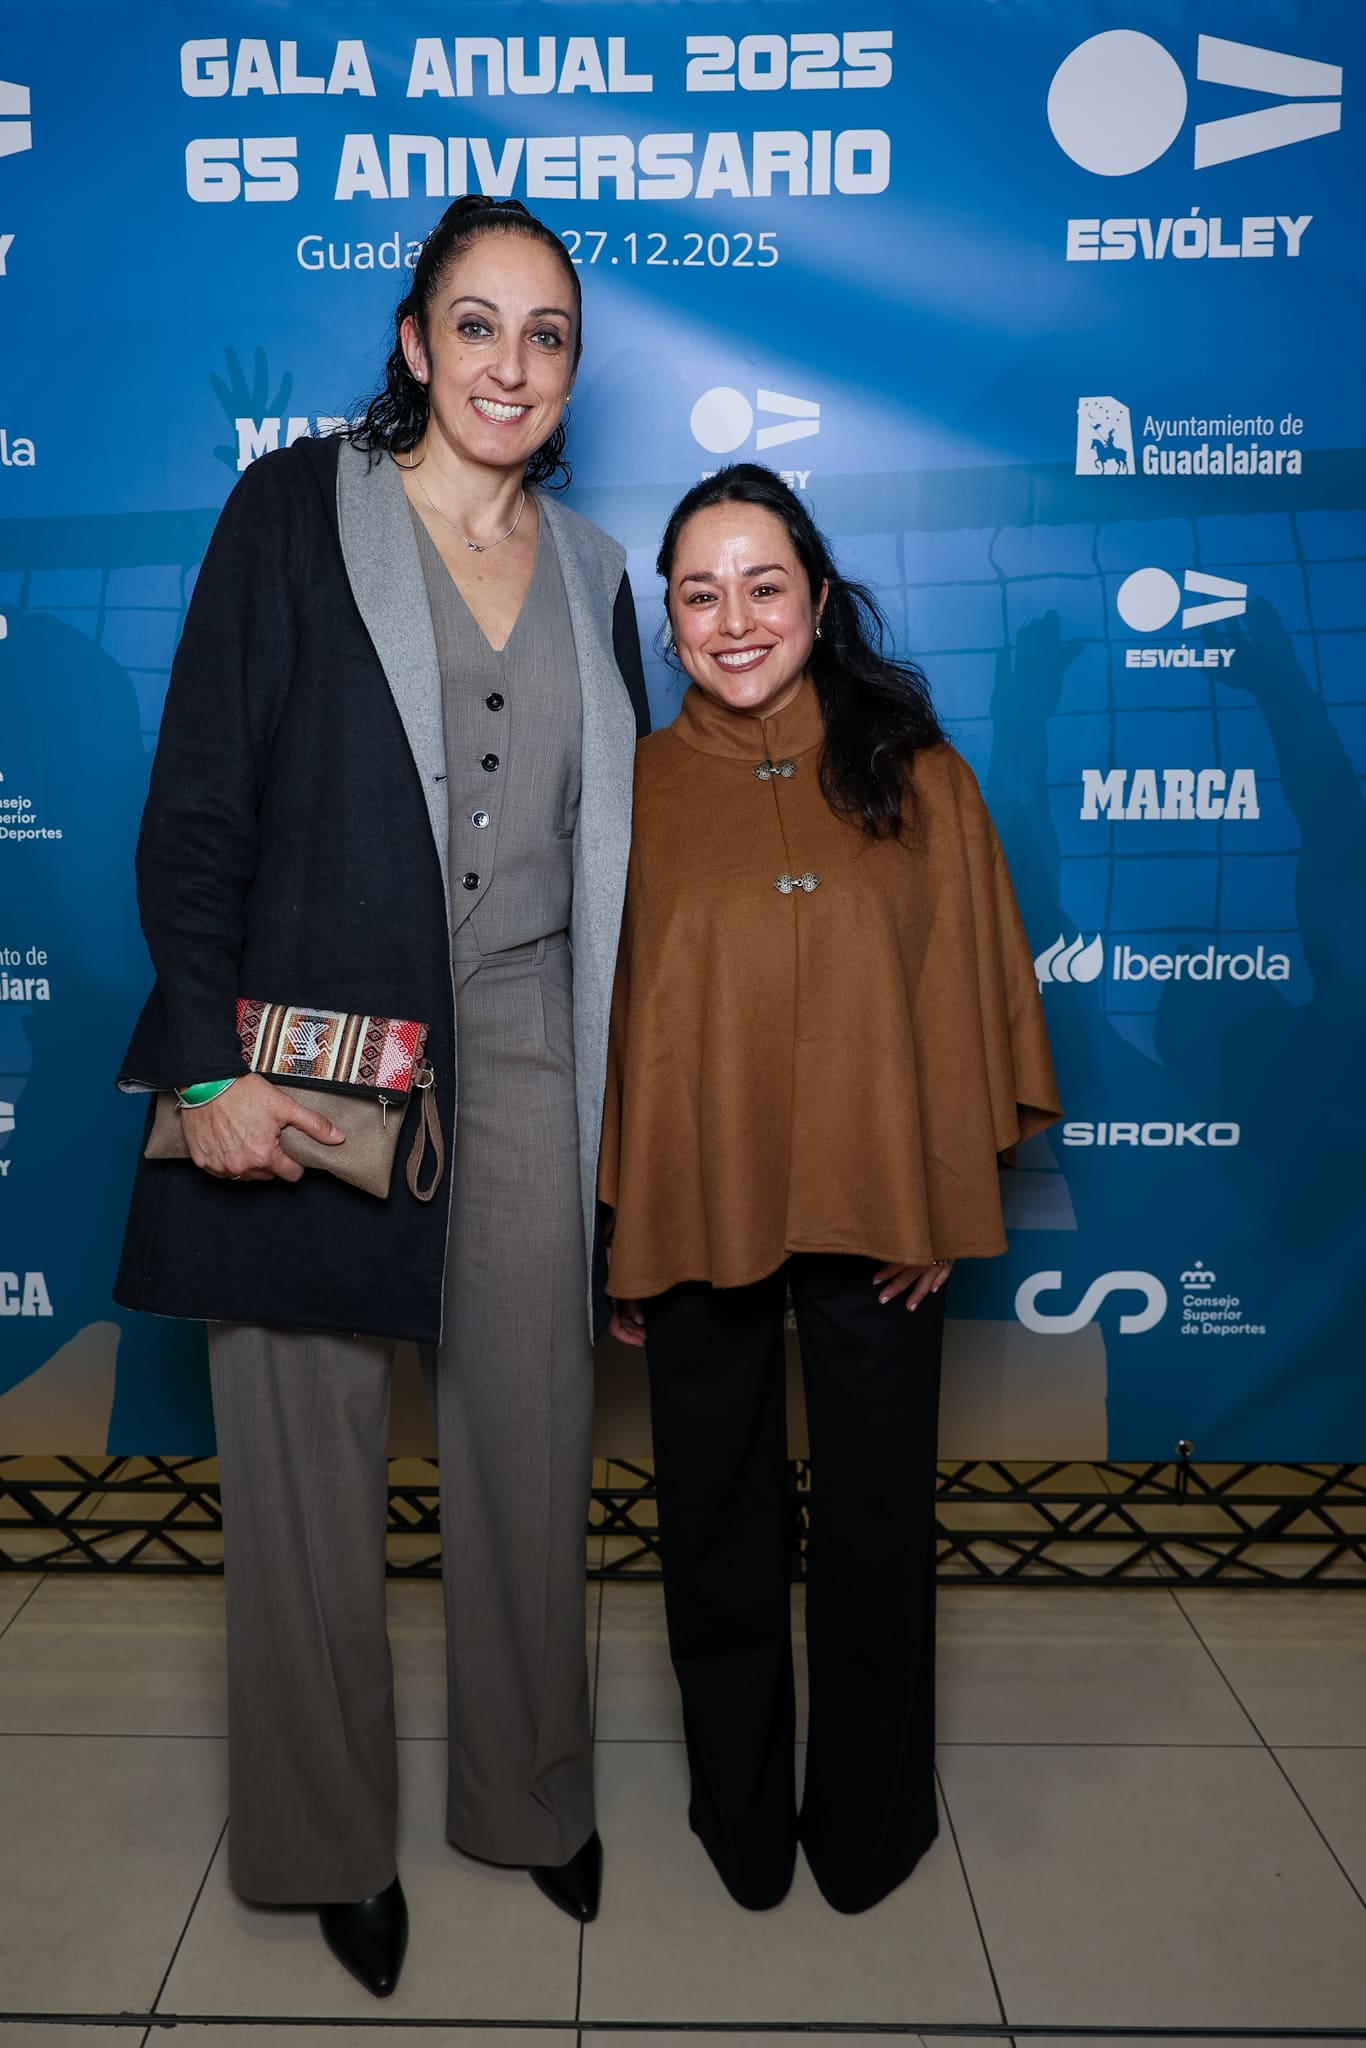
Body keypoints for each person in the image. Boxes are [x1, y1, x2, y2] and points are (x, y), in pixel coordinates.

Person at [114, 196, 648, 1996]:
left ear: (571, 373)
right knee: (297, 1468)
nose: (510, 363)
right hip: (309, 1060)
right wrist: (206, 1065)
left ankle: (528, 1798)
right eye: (475, 324)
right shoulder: (291, 512)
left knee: (528, 1446)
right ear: (414, 343)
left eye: (547, 335)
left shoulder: (597, 572)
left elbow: (620, 866)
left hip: (529, 1050)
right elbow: (195, 807)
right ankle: (324, 1842)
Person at [600, 464, 1059, 1916]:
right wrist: (620, 1226)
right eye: (700, 594)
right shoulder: (626, 793)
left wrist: (942, 1195)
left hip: (884, 1218)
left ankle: (870, 1826)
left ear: (816, 598)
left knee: (876, 1533)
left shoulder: (921, 775)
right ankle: (738, 1816)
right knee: (713, 1528)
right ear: (668, 621)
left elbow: (967, 997)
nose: (734, 620)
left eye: (763, 585)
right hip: (696, 1212)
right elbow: (603, 1024)